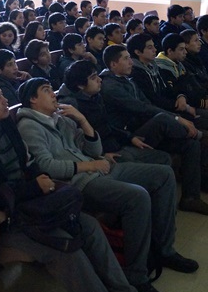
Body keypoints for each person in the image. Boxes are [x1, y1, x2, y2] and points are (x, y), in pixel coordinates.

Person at [0, 78, 181, 292]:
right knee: (66, 249)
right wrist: (33, 187)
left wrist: (40, 183)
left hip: (31, 207)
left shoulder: (5, 125)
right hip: (5, 220)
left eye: (2, 94)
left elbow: (29, 163)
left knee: (89, 227)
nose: (6, 100)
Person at [17, 77, 198, 292]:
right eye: (46, 91)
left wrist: (83, 120)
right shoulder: (29, 126)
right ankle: (136, 275)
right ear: (32, 99)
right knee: (137, 197)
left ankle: (164, 250)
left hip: (99, 168)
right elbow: (47, 166)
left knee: (164, 175)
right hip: (79, 183)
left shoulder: (61, 119)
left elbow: (94, 149)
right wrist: (90, 166)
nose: (54, 94)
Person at [59, 59, 208, 215]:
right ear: (80, 85)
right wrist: (100, 155)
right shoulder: (77, 104)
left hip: (124, 137)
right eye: (93, 77)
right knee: (164, 125)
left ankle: (190, 197)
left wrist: (130, 137)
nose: (99, 80)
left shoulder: (96, 95)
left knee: (189, 145)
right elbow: (75, 143)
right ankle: (157, 212)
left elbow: (112, 123)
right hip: (110, 150)